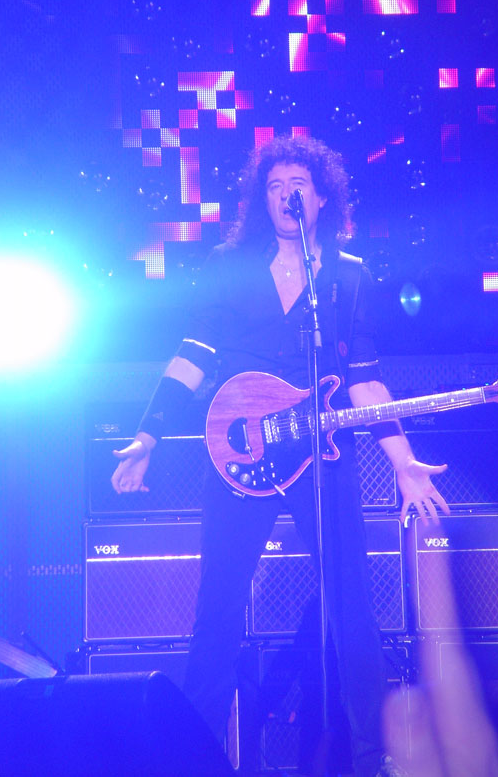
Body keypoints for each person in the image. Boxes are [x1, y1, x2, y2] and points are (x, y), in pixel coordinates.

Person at [111, 135, 450, 776]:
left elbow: (365, 378)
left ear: (321, 198)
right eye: (273, 186)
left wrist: (403, 462)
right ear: (260, 199)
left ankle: (374, 757)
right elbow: (192, 356)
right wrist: (148, 435)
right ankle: (194, 760)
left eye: (297, 184)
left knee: (352, 605)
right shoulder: (231, 267)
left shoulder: (348, 276)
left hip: (321, 454)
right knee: (218, 607)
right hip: (239, 452)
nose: (285, 195)